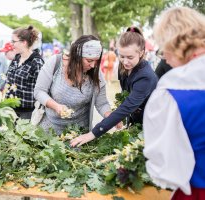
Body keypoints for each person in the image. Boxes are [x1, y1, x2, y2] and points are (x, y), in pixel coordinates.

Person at [143, 7, 205, 200]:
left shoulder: (171, 90)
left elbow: (165, 167)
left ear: (173, 41)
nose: (164, 56)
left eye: (163, 46)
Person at [70, 27, 158, 147]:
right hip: (136, 124)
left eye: (130, 57)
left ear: (141, 52)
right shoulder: (123, 69)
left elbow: (127, 107)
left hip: (152, 126)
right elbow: (125, 97)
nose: (125, 62)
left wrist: (92, 134)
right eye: (121, 56)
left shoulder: (146, 77)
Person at [34, 35, 112, 135]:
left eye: (96, 61)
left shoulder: (95, 73)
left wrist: (111, 117)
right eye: (89, 60)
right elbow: (39, 91)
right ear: (76, 56)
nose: (93, 66)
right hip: (49, 131)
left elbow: (102, 104)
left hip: (78, 133)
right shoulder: (55, 63)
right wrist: (56, 106)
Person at [6, 25, 44, 119]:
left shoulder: (37, 62)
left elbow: (42, 89)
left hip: (27, 114)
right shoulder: (16, 58)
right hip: (10, 110)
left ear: (24, 42)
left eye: (13, 41)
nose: (12, 44)